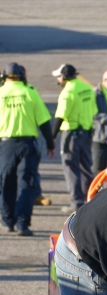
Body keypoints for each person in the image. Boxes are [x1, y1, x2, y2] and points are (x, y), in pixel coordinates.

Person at [0, 63, 55, 236]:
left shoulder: (1, 93)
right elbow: (44, 121)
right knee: (26, 183)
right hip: (27, 145)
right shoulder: (30, 92)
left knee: (5, 182)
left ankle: (7, 220)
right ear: (22, 76)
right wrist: (50, 143)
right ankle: (22, 224)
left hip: (6, 145)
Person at [52, 64, 97, 213]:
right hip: (86, 132)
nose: (58, 80)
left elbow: (60, 116)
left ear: (64, 77)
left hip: (71, 134)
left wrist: (52, 138)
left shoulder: (67, 92)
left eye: (59, 77)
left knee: (71, 168)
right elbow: (94, 110)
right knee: (86, 167)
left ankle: (77, 204)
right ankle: (91, 201)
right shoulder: (86, 88)